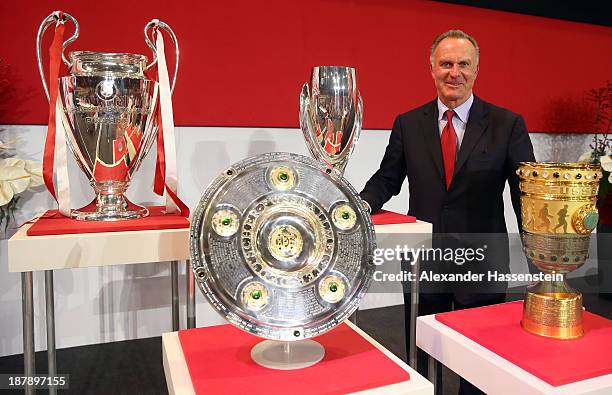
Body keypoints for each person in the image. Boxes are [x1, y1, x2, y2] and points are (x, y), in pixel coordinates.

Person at [360, 30, 535, 395]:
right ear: (432, 69)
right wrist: (360, 206)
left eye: (463, 64)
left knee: (480, 356)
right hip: (426, 258)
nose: (454, 72)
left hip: (482, 258)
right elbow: (387, 177)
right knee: (424, 350)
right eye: (446, 64)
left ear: (476, 69)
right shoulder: (408, 123)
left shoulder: (507, 123)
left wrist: (537, 259)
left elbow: (525, 194)